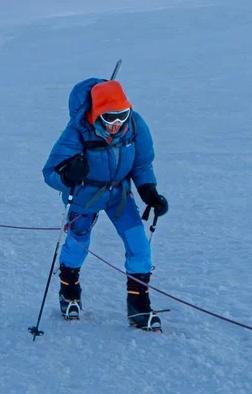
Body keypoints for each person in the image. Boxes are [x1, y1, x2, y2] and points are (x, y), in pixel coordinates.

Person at [42, 78, 169, 330]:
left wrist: (148, 191)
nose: (116, 124)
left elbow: (142, 163)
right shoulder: (77, 130)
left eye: (121, 115)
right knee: (79, 243)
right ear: (97, 112)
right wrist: (68, 175)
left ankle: (139, 307)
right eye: (109, 117)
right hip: (85, 195)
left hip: (119, 195)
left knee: (139, 245)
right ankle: (69, 292)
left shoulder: (135, 125)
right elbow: (50, 173)